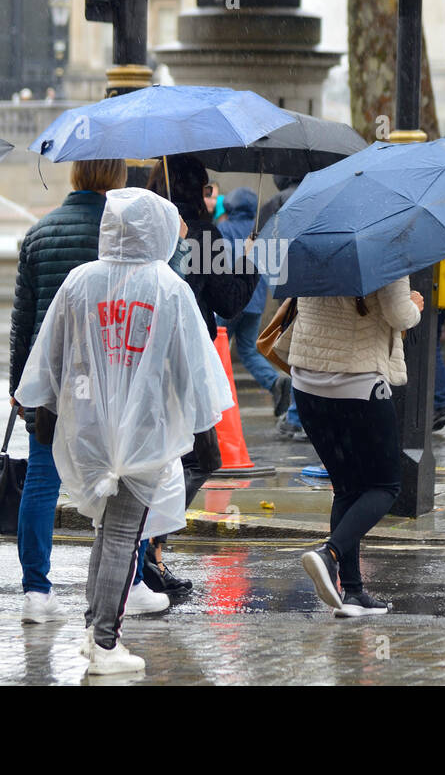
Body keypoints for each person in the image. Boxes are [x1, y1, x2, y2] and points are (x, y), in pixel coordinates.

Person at [16, 188, 232, 674]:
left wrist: (47, 408)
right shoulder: (168, 287)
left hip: (89, 426)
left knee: (106, 528)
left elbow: (51, 356)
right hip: (145, 430)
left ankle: (97, 631)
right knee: (122, 533)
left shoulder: (79, 282)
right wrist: (199, 424)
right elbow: (192, 366)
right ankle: (105, 643)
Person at [7, 159, 160, 622]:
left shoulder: (40, 233)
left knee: (41, 479)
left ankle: (36, 591)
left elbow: (24, 320)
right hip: (115, 375)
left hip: (54, 376)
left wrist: (19, 387)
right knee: (121, 478)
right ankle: (128, 583)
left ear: (75, 175)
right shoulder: (128, 232)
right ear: (117, 177)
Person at [146, 156, 259, 590]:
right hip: (186, 359)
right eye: (207, 187)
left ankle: (148, 554)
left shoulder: (147, 228)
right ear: (198, 189)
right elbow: (229, 300)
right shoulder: (200, 232)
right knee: (200, 457)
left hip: (141, 353)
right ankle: (152, 549)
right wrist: (247, 263)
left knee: (158, 455)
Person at [290, 276, 423, 617]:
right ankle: (328, 554)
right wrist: (415, 308)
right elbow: (398, 314)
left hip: (306, 382)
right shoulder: (383, 246)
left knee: (346, 488)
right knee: (385, 486)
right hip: (359, 382)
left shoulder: (313, 241)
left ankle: (353, 593)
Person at [218, 187, 292, 418]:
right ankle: (275, 382)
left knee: (217, 349)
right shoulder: (262, 229)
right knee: (248, 350)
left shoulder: (224, 229)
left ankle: (217, 398)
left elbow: (221, 264)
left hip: (230, 299)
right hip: (255, 300)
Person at [258, 175, 309, 441]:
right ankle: (301, 416)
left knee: (296, 356)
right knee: (311, 357)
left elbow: (264, 246)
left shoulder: (276, 202)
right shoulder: (319, 193)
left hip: (289, 287)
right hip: (317, 286)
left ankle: (295, 417)